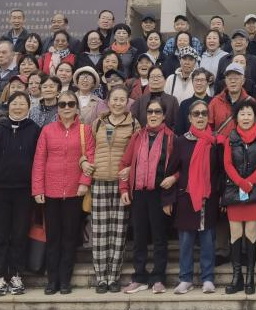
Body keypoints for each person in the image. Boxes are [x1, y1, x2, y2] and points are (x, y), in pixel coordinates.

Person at [32, 90, 94, 295]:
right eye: (62, 104)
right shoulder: (47, 130)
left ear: (77, 108)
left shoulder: (85, 130)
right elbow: (39, 160)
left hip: (75, 191)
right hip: (51, 191)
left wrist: (84, 182)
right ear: (57, 108)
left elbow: (91, 157)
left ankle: (65, 280)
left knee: (69, 238)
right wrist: (38, 188)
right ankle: (52, 280)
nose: (66, 108)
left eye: (70, 104)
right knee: (53, 237)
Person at [0, 92, 38, 296]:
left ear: (29, 107)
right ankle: (0, 277)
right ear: (8, 106)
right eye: (15, 103)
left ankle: (16, 275)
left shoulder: (34, 130)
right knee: (0, 235)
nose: (18, 107)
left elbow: (39, 161)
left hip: (24, 191)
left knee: (20, 234)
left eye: (22, 104)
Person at [82, 86, 139, 293]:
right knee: (99, 232)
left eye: (122, 99)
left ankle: (113, 276)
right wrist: (83, 162)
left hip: (120, 184)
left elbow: (139, 152)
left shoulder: (133, 124)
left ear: (127, 102)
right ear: (108, 101)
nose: (118, 103)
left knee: (118, 232)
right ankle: (101, 278)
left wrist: (131, 169)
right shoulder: (97, 123)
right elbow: (87, 150)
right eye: (114, 99)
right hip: (99, 181)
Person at [118, 97, 175, 295]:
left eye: (157, 112)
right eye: (150, 111)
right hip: (139, 193)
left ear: (164, 115)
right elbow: (124, 164)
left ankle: (158, 277)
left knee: (159, 237)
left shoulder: (171, 138)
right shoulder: (137, 136)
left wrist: (174, 179)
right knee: (139, 237)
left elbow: (179, 168)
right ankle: (139, 277)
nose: (153, 115)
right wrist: (124, 189)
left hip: (160, 193)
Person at [166, 100, 222, 294]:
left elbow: (220, 171)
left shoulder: (214, 142)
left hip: (208, 198)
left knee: (208, 241)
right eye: (196, 114)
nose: (200, 117)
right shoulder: (181, 141)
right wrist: (168, 198)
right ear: (189, 118)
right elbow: (172, 170)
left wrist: (219, 194)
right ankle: (185, 278)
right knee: (186, 241)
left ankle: (208, 278)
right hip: (187, 197)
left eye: (204, 113)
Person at [221, 98, 256, 294]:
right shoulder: (230, 138)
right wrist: (241, 183)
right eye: (242, 114)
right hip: (235, 192)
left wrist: (250, 182)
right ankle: (237, 277)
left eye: (250, 114)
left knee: (251, 233)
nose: (246, 117)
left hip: (254, 191)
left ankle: (250, 277)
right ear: (236, 117)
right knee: (235, 234)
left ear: (255, 117)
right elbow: (227, 164)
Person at [176, 69, 213, 136]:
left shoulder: (214, 102)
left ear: (207, 83)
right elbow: (179, 131)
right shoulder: (184, 104)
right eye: (196, 80)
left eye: (202, 80)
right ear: (192, 82)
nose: (199, 83)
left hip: (210, 140)